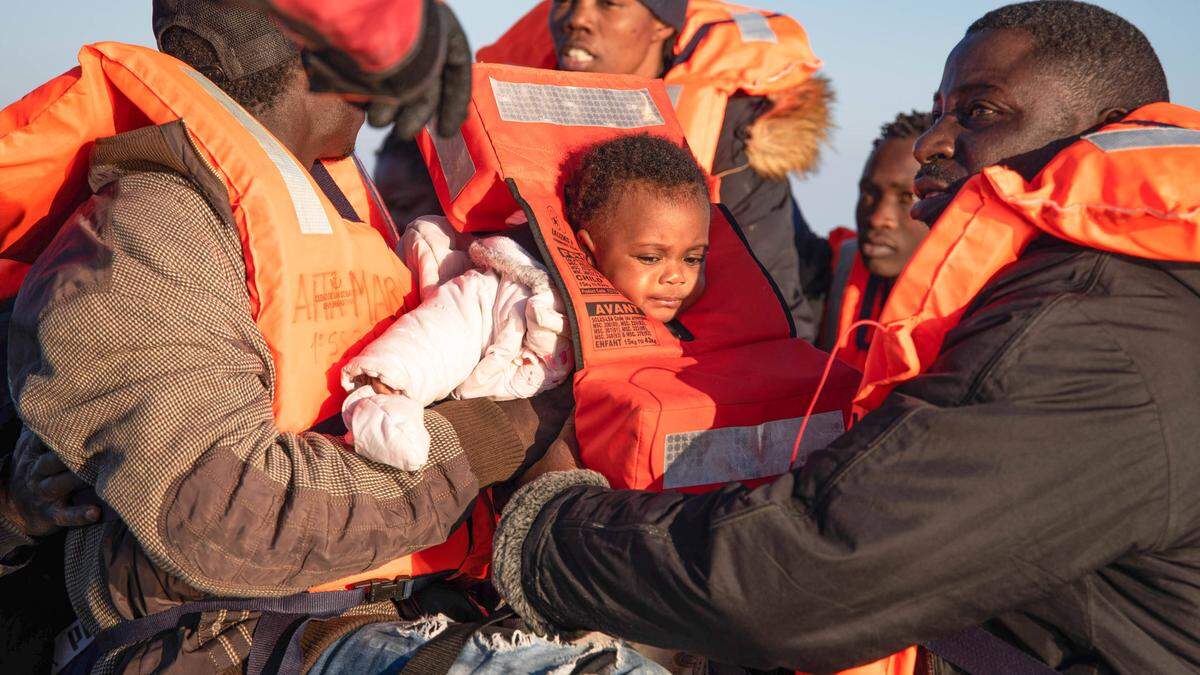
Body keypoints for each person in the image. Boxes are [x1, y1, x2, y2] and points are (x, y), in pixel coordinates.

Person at [489, 2, 1200, 672]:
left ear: (1109, 126)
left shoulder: (1097, 328)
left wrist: (549, 527)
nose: (933, 141)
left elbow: (805, 571)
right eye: (937, 112)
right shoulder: (1126, 286)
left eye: (980, 112)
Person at [1, 1, 576, 671]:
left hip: (400, 605)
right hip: (241, 637)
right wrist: (489, 438)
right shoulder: (146, 235)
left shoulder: (334, 201)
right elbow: (227, 516)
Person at [469, 0, 834, 339]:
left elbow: (780, 312)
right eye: (565, 0)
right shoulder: (514, 109)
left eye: (610, 2)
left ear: (662, 24)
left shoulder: (734, 138)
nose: (577, 18)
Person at [817, 112, 933, 372]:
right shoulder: (834, 268)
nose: (879, 218)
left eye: (907, 197)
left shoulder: (980, 311)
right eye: (869, 193)